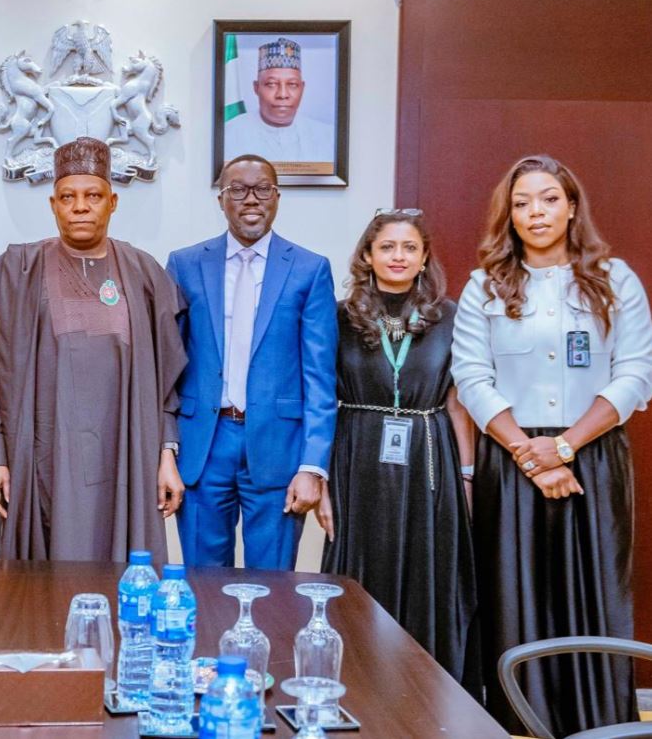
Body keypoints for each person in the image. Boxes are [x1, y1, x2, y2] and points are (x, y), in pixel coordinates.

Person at [452, 155, 652, 736]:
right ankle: (521, 724)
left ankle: (599, 724)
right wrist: (528, 453)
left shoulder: (616, 281)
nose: (534, 212)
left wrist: (563, 448)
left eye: (547, 199)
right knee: (517, 595)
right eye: (521, 203)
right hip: (511, 460)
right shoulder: (484, 287)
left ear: (571, 206)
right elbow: (471, 378)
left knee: (596, 592)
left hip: (593, 454)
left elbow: (634, 376)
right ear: (507, 215)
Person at [0, 136, 187, 561]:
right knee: (43, 583)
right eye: (68, 197)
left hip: (128, 459)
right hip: (45, 461)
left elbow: (168, 382)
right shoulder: (20, 270)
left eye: (93, 196)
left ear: (113, 202)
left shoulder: (144, 274)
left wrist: (167, 454)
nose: (80, 206)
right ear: (53, 204)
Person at [321, 210, 478, 689]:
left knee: (429, 574)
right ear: (367, 255)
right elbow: (322, 398)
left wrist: (467, 475)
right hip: (357, 457)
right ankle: (361, 690)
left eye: (409, 247)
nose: (398, 256)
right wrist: (322, 480)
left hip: (429, 460)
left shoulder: (450, 315)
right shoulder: (341, 316)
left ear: (424, 256)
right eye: (387, 247)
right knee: (360, 574)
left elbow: (457, 401)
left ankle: (426, 695)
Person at [166, 154, 336, 570]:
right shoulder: (185, 265)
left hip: (278, 447)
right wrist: (165, 449)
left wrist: (313, 465)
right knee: (203, 579)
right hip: (204, 444)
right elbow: (167, 367)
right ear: (221, 199)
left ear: (276, 197)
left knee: (273, 583)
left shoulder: (310, 269)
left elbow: (320, 377)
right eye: (238, 190)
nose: (251, 199)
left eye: (262, 189)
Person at [223, 37, 334, 164]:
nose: (282, 94)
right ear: (256, 88)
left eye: (292, 84)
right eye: (271, 84)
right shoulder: (229, 134)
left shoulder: (328, 136)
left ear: (302, 88)